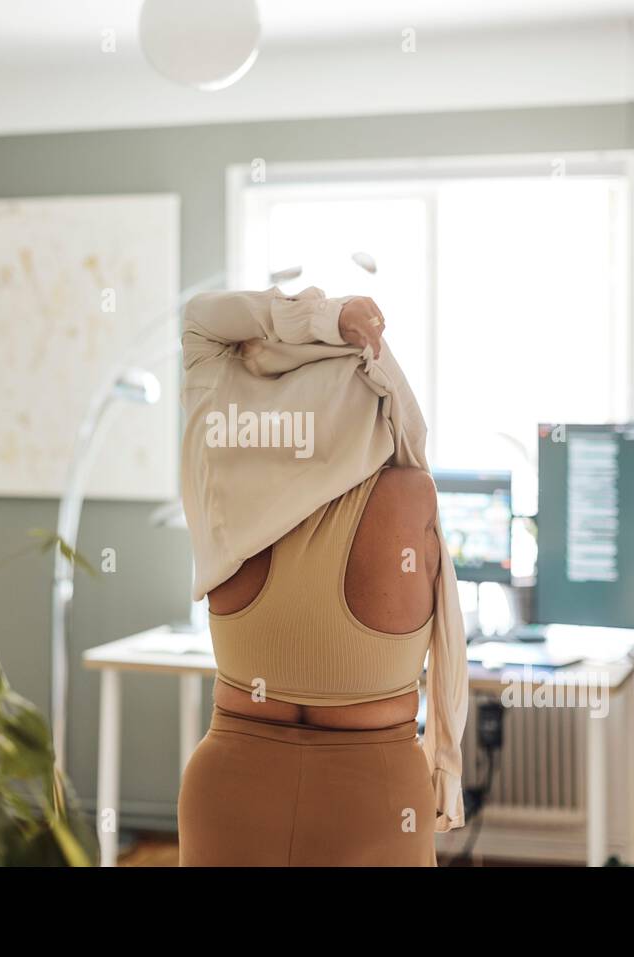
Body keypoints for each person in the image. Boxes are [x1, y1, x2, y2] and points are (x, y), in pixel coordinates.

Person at [175, 286, 469, 866]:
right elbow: (407, 427)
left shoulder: (218, 472)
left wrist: (324, 318)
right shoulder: (410, 496)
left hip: (229, 789)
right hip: (375, 798)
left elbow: (202, 317)